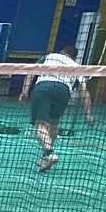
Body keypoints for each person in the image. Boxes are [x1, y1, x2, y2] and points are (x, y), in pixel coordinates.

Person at [21, 41, 95, 173]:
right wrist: (88, 114)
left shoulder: (49, 57)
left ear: (62, 52)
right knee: (54, 124)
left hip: (44, 87)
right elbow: (84, 92)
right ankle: (45, 156)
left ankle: (50, 154)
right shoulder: (76, 66)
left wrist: (24, 91)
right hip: (63, 91)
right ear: (74, 58)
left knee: (41, 124)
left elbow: (30, 73)